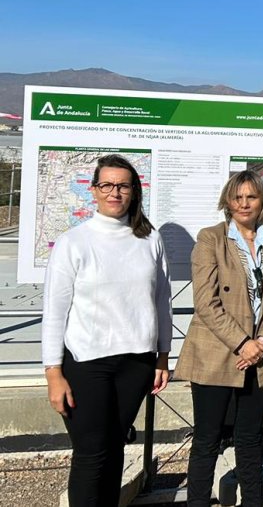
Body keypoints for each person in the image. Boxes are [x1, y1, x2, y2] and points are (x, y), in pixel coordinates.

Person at [41, 154, 172, 506]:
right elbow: (55, 310)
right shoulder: (74, 242)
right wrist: (53, 372)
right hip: (87, 363)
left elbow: (162, 302)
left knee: (115, 448)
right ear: (94, 191)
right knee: (91, 453)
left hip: (136, 362)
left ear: (134, 192)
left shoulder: (150, 240)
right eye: (107, 185)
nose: (115, 192)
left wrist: (162, 356)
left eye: (123, 185)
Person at [175, 170, 263, 507]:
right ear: (228, 202)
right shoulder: (211, 239)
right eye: (237, 197)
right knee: (207, 439)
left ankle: (252, 502)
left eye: (251, 196)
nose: (244, 203)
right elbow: (206, 302)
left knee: (250, 438)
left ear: (262, 201)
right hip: (218, 353)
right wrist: (244, 343)